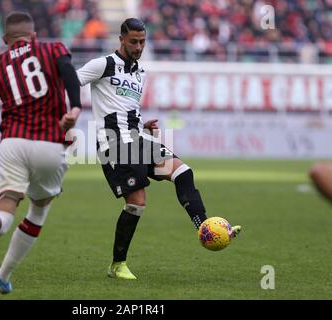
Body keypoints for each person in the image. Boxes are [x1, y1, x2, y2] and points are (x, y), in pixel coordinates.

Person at [76, 18, 241, 280]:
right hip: (115, 143)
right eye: (133, 41)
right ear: (121, 39)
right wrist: (67, 114)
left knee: (183, 172)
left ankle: (205, 228)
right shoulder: (103, 65)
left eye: (142, 41)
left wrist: (143, 126)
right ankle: (117, 264)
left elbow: (123, 107)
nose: (138, 46)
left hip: (138, 138)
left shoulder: (139, 72)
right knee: (137, 202)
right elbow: (72, 82)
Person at [0, 11, 81, 295]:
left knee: (2, 217)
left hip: (11, 144)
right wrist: (74, 108)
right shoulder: (52, 49)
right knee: (38, 210)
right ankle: (2, 277)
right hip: (50, 145)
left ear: (5, 39)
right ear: (34, 36)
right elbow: (69, 72)